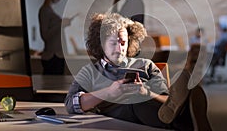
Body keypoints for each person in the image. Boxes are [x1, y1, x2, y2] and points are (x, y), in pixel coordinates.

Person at [64, 13, 211, 131]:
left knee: (142, 100)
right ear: (101, 44)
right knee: (135, 103)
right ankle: (189, 119)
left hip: (150, 113)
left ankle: (183, 118)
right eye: (113, 43)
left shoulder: (145, 65)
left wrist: (146, 93)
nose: (120, 48)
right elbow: (71, 104)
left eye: (123, 42)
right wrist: (109, 92)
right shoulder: (90, 71)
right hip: (116, 114)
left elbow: (168, 101)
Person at [38, 0, 72, 75]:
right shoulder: (44, 10)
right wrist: (61, 24)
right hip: (52, 57)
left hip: (57, 56)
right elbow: (45, 35)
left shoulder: (49, 10)